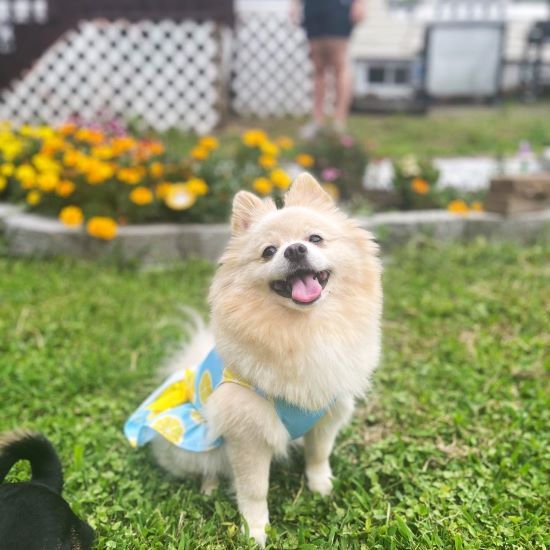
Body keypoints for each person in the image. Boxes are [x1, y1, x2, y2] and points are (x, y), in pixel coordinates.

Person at [291, 0, 366, 138]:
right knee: (318, 66)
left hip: (338, 7)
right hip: (313, 7)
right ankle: (317, 120)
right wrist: (294, 4)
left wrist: (360, 3)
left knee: (339, 64)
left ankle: (339, 121)